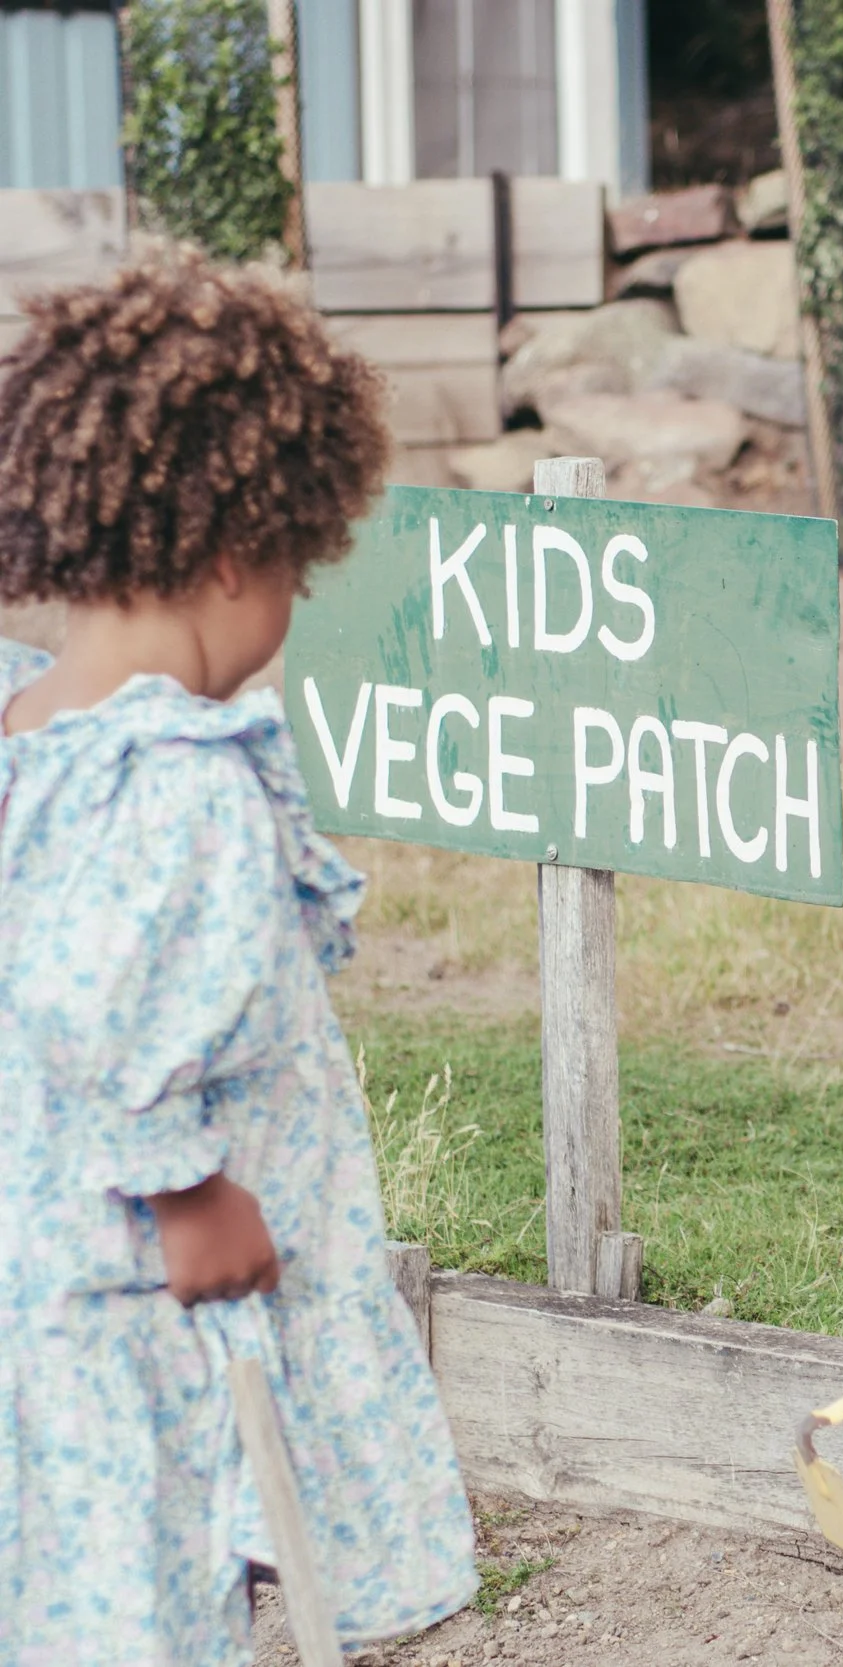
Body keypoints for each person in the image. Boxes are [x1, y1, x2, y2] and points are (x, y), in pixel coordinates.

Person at [0, 254, 476, 1658]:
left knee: (80, 1575)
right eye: (292, 574)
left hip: (54, 1263)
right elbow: (92, 1006)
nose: (285, 617)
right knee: (149, 1584)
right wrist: (196, 1193)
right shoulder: (182, 775)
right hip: (147, 1272)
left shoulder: (34, 731)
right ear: (227, 558)